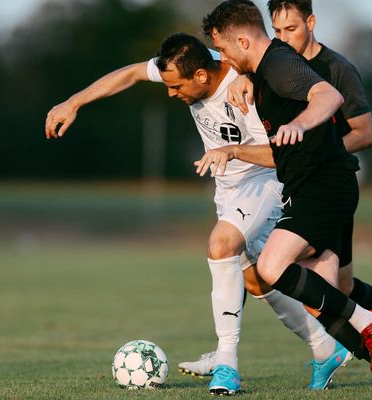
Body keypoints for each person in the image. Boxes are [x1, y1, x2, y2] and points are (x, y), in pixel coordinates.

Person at [45, 33, 350, 395]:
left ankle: (226, 363)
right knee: (256, 280)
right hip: (228, 188)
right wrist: (73, 102)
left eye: (176, 88)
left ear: (202, 77)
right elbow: (130, 74)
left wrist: (234, 150)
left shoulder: (247, 89)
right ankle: (325, 347)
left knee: (221, 243)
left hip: (266, 181)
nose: (172, 94)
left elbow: (279, 155)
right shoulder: (187, 60)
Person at [202, 1, 372, 399]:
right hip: (309, 187)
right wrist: (241, 84)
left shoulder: (279, 64)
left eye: (224, 50)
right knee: (323, 302)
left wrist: (300, 123)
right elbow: (279, 139)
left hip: (325, 185)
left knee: (271, 267)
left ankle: (371, 320)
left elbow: (328, 97)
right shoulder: (263, 69)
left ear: (240, 39)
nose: (224, 60)